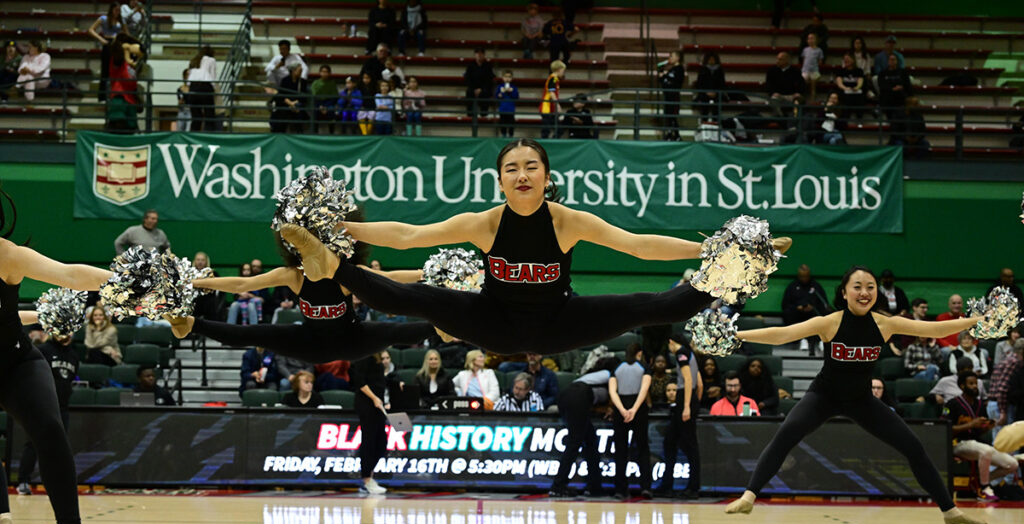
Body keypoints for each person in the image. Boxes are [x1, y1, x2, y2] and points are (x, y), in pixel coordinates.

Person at [284, 138, 790, 357]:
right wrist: (349, 232)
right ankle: (327, 259)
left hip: (559, 323)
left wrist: (707, 253)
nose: (522, 174)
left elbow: (637, 246)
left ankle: (734, 266)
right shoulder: (485, 222)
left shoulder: (566, 220)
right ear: (500, 180)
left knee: (654, 307)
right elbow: (410, 236)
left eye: (531, 167)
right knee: (410, 297)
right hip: (493, 322)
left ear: (547, 177)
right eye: (511, 168)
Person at [725, 265, 987, 524]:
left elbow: (936, 330)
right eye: (858, 287)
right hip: (823, 396)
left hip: (862, 401)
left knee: (913, 447)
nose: (864, 292)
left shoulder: (885, 323)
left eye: (870, 287)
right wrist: (736, 335)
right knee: (785, 435)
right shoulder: (830, 321)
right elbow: (783, 334)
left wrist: (976, 321)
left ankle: (950, 512)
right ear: (844, 292)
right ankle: (749, 497)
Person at [0, 189, 114, 524]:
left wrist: (122, 283)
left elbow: (69, 274)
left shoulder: (6, 254)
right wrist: (38, 313)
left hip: (17, 364)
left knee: (50, 430)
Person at [165, 230, 433, 368]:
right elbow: (242, 284)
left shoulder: (345, 274)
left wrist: (429, 274)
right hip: (310, 344)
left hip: (354, 340)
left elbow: (393, 277)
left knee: (395, 331)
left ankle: (446, 327)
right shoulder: (294, 275)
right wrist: (195, 281)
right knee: (254, 334)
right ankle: (189, 324)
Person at [17, 331, 78, 496]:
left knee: (60, 447)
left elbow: (71, 378)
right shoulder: (44, 349)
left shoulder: (74, 354)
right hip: (41, 404)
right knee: (34, 443)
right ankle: (23, 480)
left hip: (63, 407)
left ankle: (56, 485)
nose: (65, 334)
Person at [946, 371, 1021, 501]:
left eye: (976, 383)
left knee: (1012, 464)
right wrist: (970, 425)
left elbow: (978, 431)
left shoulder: (980, 404)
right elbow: (945, 430)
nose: (975, 386)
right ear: (962, 386)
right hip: (958, 444)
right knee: (985, 450)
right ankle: (984, 488)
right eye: (971, 383)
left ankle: (979, 482)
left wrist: (986, 428)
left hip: (976, 444)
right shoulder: (952, 404)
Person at [550, 362, 616, 498]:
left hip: (568, 397)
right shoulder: (610, 375)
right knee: (574, 444)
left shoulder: (592, 378)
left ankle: (594, 486)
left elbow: (589, 402)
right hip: (577, 397)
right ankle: (558, 486)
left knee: (590, 442)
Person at [658, 334, 701, 498]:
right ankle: (666, 485)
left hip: (685, 398)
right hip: (689, 399)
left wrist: (687, 406)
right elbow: (700, 382)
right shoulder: (690, 353)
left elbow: (688, 380)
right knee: (670, 441)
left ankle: (693, 488)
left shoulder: (680, 352)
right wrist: (696, 401)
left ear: (671, 342)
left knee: (690, 446)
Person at [609, 343, 652, 499]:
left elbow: (612, 392)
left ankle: (620, 490)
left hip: (621, 408)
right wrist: (634, 409)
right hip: (638, 409)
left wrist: (621, 410)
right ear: (639, 353)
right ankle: (646, 487)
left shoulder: (617, 367)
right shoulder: (643, 367)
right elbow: (644, 389)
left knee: (620, 451)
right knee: (642, 448)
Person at [350, 352, 390, 494]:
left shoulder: (378, 356)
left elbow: (379, 381)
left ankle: (369, 476)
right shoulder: (364, 355)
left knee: (381, 443)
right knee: (369, 441)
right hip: (366, 404)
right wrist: (373, 398)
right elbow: (359, 381)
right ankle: (366, 479)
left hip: (377, 404)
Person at [782, 263, 829, 353]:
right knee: (788, 313)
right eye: (802, 276)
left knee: (824, 314)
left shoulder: (815, 286)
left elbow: (824, 303)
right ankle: (801, 339)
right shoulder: (792, 286)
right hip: (798, 313)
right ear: (798, 276)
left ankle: (821, 341)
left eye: (806, 276)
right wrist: (797, 307)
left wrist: (813, 307)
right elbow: (785, 304)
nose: (804, 279)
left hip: (812, 313)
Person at [106, 33, 144, 133]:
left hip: (130, 101)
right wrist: (122, 43)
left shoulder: (131, 66)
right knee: (117, 128)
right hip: (119, 98)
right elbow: (115, 49)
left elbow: (133, 85)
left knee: (132, 131)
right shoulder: (117, 61)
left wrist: (138, 99)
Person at [88, 3, 122, 101]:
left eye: (118, 11)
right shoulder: (103, 18)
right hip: (107, 43)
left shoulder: (120, 20)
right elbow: (91, 30)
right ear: (111, 10)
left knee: (117, 70)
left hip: (117, 44)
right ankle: (102, 96)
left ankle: (115, 94)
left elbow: (124, 32)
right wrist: (100, 39)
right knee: (105, 71)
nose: (117, 12)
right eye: (116, 10)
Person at [269, 63, 310, 133]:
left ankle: (299, 136)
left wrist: (294, 104)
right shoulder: (285, 80)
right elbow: (281, 95)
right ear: (293, 71)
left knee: (299, 114)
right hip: (286, 104)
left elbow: (304, 97)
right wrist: (290, 104)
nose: (301, 72)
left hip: (297, 105)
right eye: (299, 70)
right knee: (280, 114)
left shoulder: (303, 82)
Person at [185, 44, 217, 131]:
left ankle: (193, 138)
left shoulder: (194, 60)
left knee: (196, 117)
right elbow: (213, 76)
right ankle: (209, 137)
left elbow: (188, 77)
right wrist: (213, 89)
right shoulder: (211, 60)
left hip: (193, 87)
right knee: (209, 115)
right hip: (205, 86)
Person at [765, 52, 804, 117]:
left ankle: (795, 117)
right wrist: (772, 93)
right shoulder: (772, 71)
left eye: (780, 59)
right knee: (773, 99)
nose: (778, 61)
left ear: (787, 60)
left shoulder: (795, 71)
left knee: (799, 99)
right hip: (778, 95)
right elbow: (768, 85)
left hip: (791, 95)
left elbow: (801, 84)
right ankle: (781, 116)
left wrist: (798, 92)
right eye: (777, 59)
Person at [658, 50, 685, 141]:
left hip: (674, 96)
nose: (669, 58)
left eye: (671, 56)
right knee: (668, 116)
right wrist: (661, 74)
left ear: (678, 58)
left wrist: (665, 76)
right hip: (667, 96)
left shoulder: (680, 69)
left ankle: (677, 135)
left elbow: (676, 81)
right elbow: (663, 81)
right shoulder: (671, 70)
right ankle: (669, 134)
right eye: (669, 56)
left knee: (673, 116)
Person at [877, 54, 912, 122]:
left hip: (900, 96)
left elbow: (907, 84)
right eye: (890, 59)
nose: (892, 61)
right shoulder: (883, 73)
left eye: (894, 59)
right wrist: (892, 89)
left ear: (897, 61)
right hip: (888, 96)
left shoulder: (903, 72)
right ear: (888, 61)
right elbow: (881, 85)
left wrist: (901, 87)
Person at [693, 51, 726, 120]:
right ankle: (704, 123)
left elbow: (722, 84)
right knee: (704, 106)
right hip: (704, 93)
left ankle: (716, 123)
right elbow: (699, 83)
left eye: (713, 59)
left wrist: (715, 93)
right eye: (710, 59)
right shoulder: (702, 70)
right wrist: (706, 92)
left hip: (717, 93)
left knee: (717, 106)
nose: (711, 61)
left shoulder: (720, 70)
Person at [464, 47, 495, 117]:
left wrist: (481, 89)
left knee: (486, 93)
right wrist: (474, 89)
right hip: (473, 88)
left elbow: (489, 80)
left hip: (484, 89)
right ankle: (470, 115)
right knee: (469, 92)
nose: (479, 55)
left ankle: (484, 114)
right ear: (475, 55)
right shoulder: (470, 65)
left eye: (481, 53)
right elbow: (467, 79)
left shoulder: (488, 66)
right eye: (477, 53)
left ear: (484, 55)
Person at [834, 52, 866, 119]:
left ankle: (859, 118)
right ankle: (845, 118)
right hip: (844, 91)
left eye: (848, 59)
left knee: (860, 96)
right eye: (845, 59)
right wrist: (846, 88)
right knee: (845, 98)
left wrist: (856, 88)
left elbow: (860, 82)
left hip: (856, 91)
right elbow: (839, 83)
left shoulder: (859, 71)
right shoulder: (840, 71)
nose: (846, 60)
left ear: (853, 60)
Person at [540, 60, 565, 138]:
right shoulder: (553, 78)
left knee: (559, 129)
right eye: (563, 71)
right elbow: (552, 93)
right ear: (559, 69)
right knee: (546, 131)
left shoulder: (555, 79)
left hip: (551, 109)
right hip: (547, 109)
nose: (563, 73)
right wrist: (557, 105)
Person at [311, 65, 339, 134]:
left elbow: (335, 97)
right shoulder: (315, 83)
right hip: (318, 103)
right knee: (314, 112)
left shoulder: (332, 83)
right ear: (320, 73)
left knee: (331, 111)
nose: (324, 73)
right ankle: (314, 134)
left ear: (329, 73)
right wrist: (320, 106)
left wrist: (326, 107)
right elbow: (314, 96)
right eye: (323, 72)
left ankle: (331, 133)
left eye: (326, 72)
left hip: (329, 103)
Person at [495, 70, 519, 137]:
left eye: (509, 77)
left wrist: (511, 91)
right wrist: (502, 92)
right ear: (503, 77)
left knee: (511, 124)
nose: (507, 78)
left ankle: (511, 136)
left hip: (511, 109)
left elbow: (516, 97)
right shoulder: (500, 87)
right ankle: (503, 135)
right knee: (502, 123)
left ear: (511, 78)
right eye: (505, 77)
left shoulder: (514, 87)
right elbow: (497, 97)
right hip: (502, 109)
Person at [800, 33, 823, 102]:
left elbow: (820, 61)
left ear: (816, 40)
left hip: (815, 70)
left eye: (812, 38)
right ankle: (803, 99)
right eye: (809, 39)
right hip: (805, 70)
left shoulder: (819, 50)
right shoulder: (805, 50)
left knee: (813, 82)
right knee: (803, 82)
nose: (810, 40)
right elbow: (804, 60)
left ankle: (812, 99)